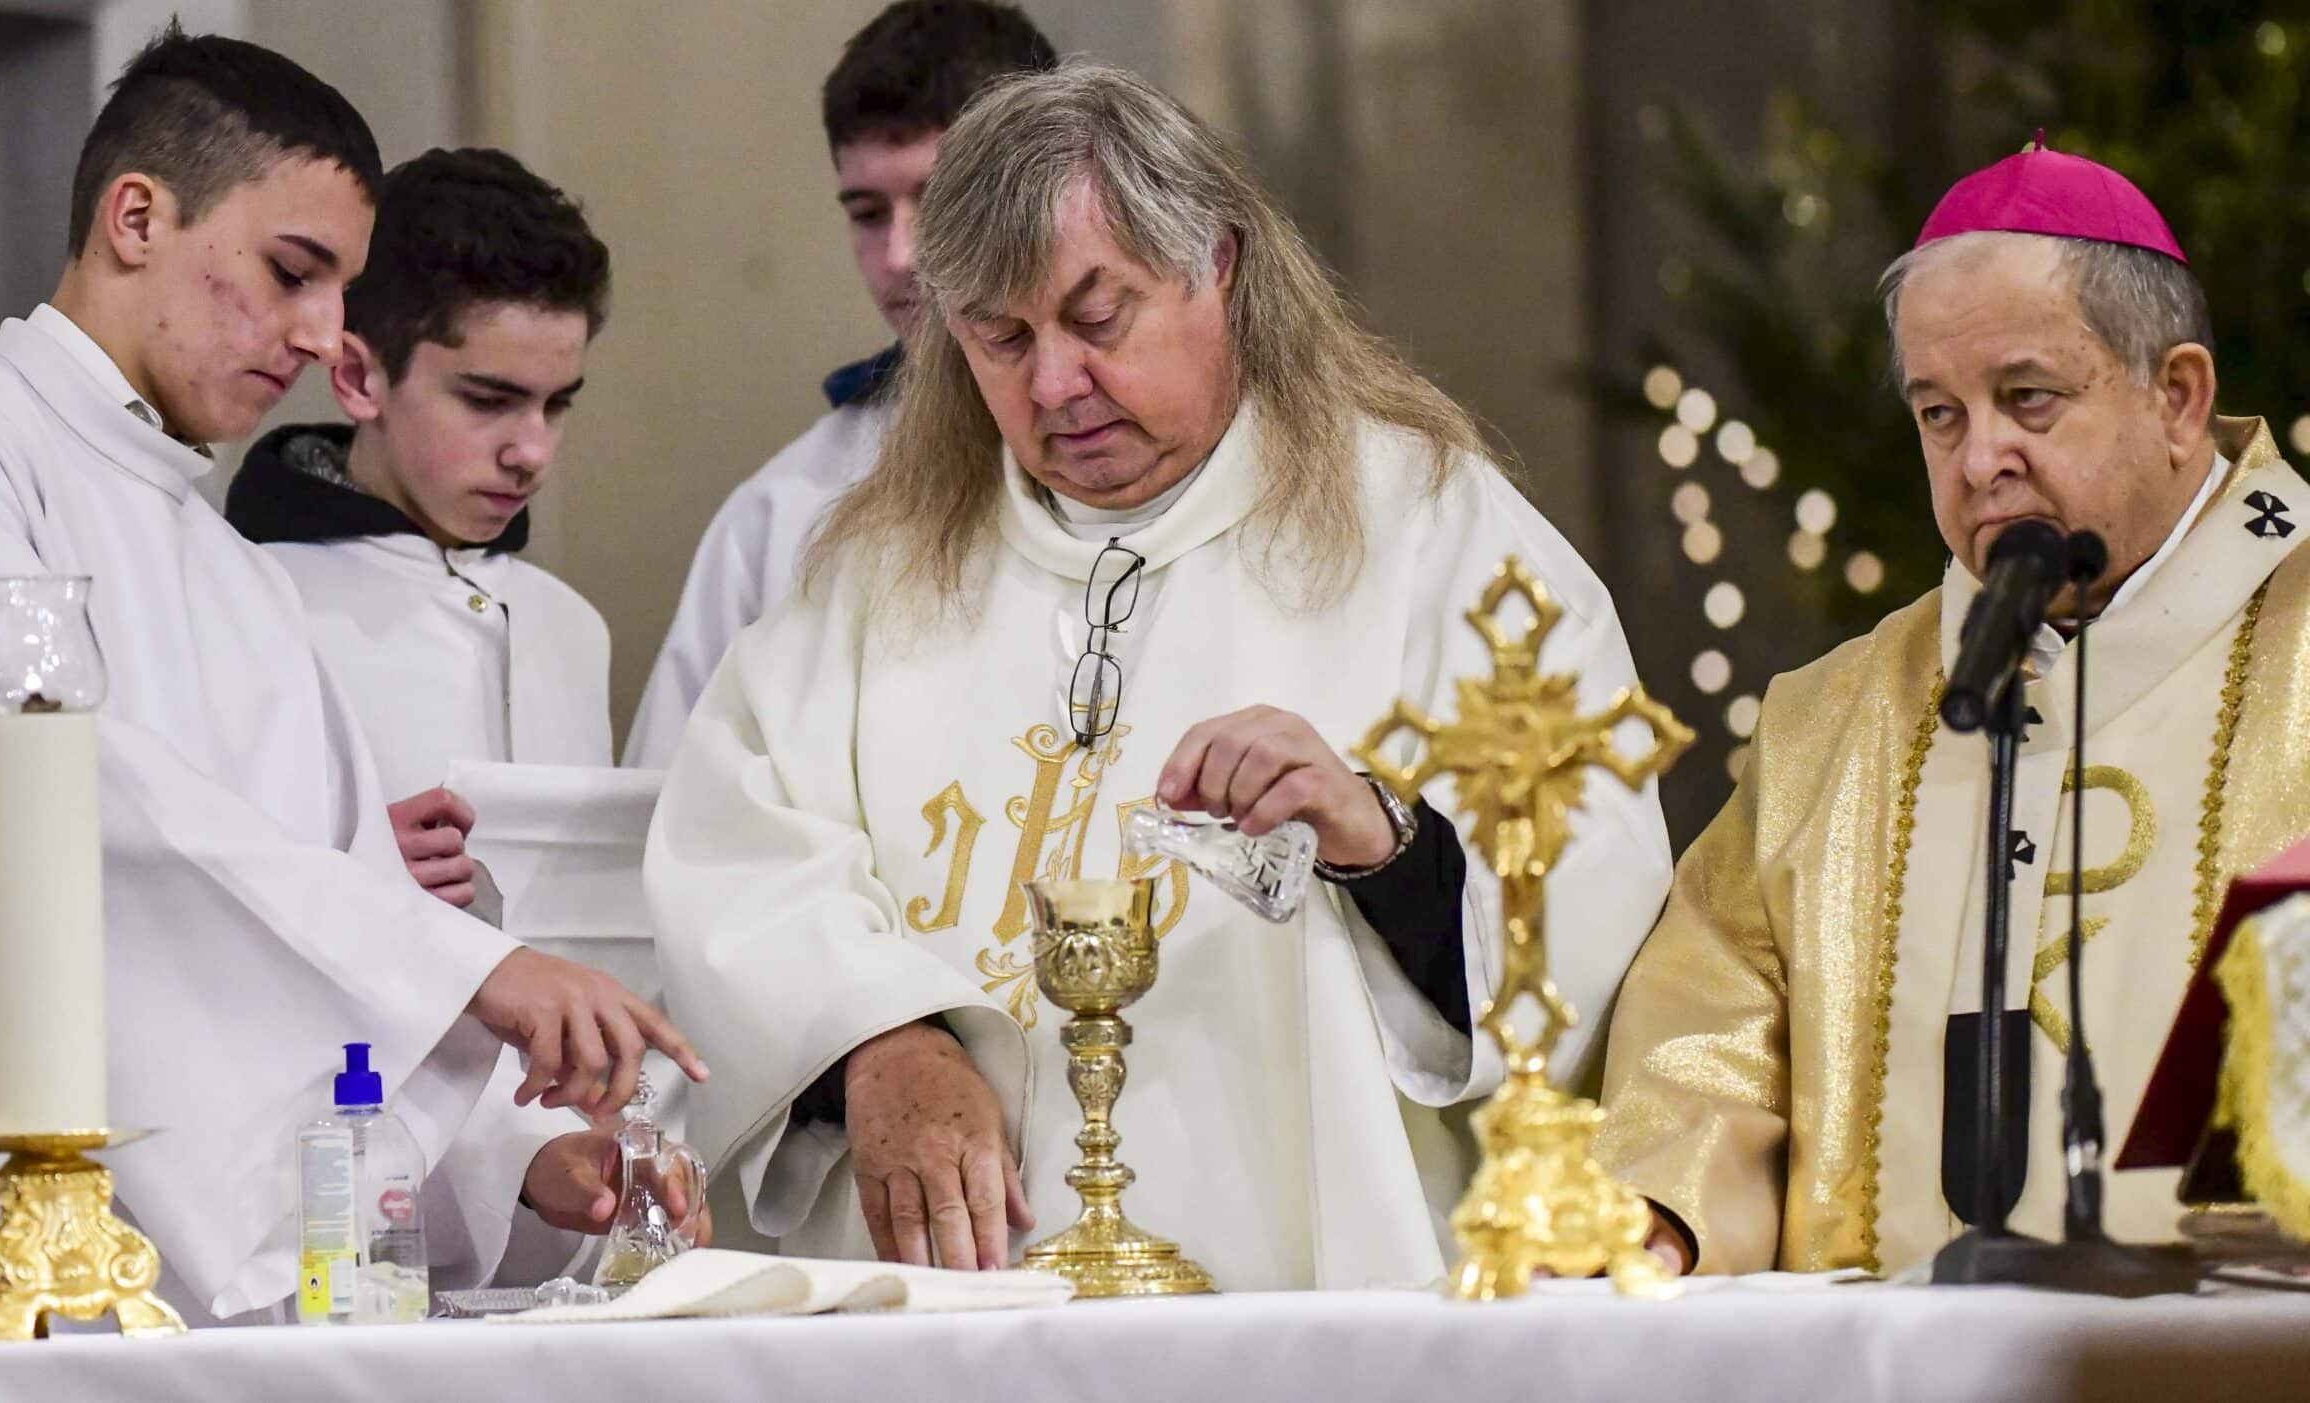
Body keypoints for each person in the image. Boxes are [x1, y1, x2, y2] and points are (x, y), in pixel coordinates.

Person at [0, 27, 701, 1387]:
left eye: (341, 291)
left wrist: (511, 1158)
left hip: (171, 1276)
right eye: (291, 272)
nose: (321, 335)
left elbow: (325, 903)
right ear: (137, 217)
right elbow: (70, 827)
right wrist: (468, 971)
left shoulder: (229, 570)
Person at [644, 64, 1671, 1288]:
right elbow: (734, 849)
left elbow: (1590, 920)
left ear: (1218, 266)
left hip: (1306, 1306)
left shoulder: (1433, 532)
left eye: (1098, 319)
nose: (1053, 385)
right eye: (1000, 338)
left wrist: (1384, 848)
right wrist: (875, 1040)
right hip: (948, 1318)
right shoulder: (881, 572)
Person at [1597, 141, 2310, 1275]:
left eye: (2029, 399)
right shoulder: (1832, 721)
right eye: (1939, 414)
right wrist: (1660, 1224)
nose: (1981, 460)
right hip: (1895, 1357)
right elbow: (1706, 1030)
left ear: (2178, 398)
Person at [226, 147, 683, 1115]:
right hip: (334, 1137)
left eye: (557, 404)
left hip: (555, 1149)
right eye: (488, 400)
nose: (532, 450)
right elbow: (188, 923)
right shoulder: (246, 598)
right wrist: (355, 873)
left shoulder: (570, 626)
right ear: (359, 376)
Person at [622, 0, 1057, 766]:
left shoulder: (1165, 455)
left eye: (937, 199)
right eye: (866, 212)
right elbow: (673, 801)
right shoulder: (786, 509)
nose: (900, 256)